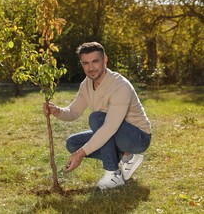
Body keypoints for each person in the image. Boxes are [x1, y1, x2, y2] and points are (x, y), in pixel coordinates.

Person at [43, 41, 151, 190]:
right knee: (73, 143)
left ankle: (113, 174)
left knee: (96, 118)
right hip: (115, 133)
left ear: (105, 59)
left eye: (95, 61)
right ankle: (128, 157)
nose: (91, 68)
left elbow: (109, 127)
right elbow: (73, 112)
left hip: (138, 136)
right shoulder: (86, 84)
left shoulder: (120, 85)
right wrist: (57, 111)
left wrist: (81, 154)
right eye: (85, 63)